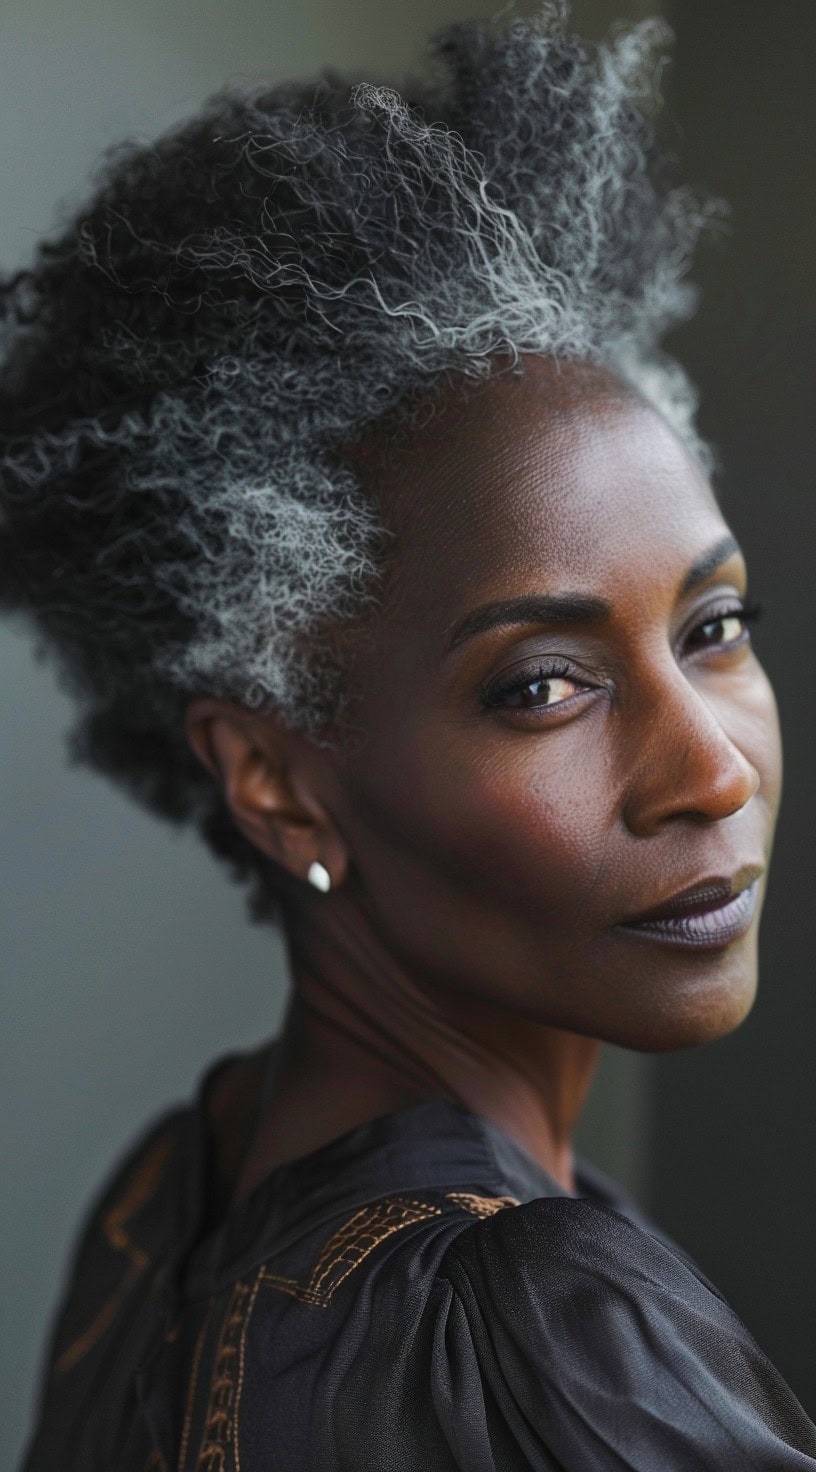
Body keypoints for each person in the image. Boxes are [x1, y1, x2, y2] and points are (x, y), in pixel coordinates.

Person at [3, 6, 815, 1467]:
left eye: (714, 629)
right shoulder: (542, 1332)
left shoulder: (159, 1208)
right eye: (543, 686)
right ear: (277, 784)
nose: (714, 770)